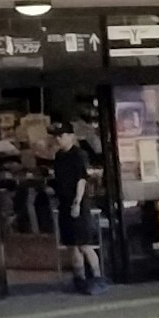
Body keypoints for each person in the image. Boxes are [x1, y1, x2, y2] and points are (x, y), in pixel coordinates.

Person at [47, 126, 105, 294]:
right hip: (64, 202)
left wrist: (78, 201)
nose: (58, 139)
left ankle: (97, 277)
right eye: (56, 136)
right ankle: (79, 278)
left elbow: (81, 180)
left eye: (61, 135)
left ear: (70, 136)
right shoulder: (58, 156)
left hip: (78, 203)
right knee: (72, 244)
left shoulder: (79, 155)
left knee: (84, 244)